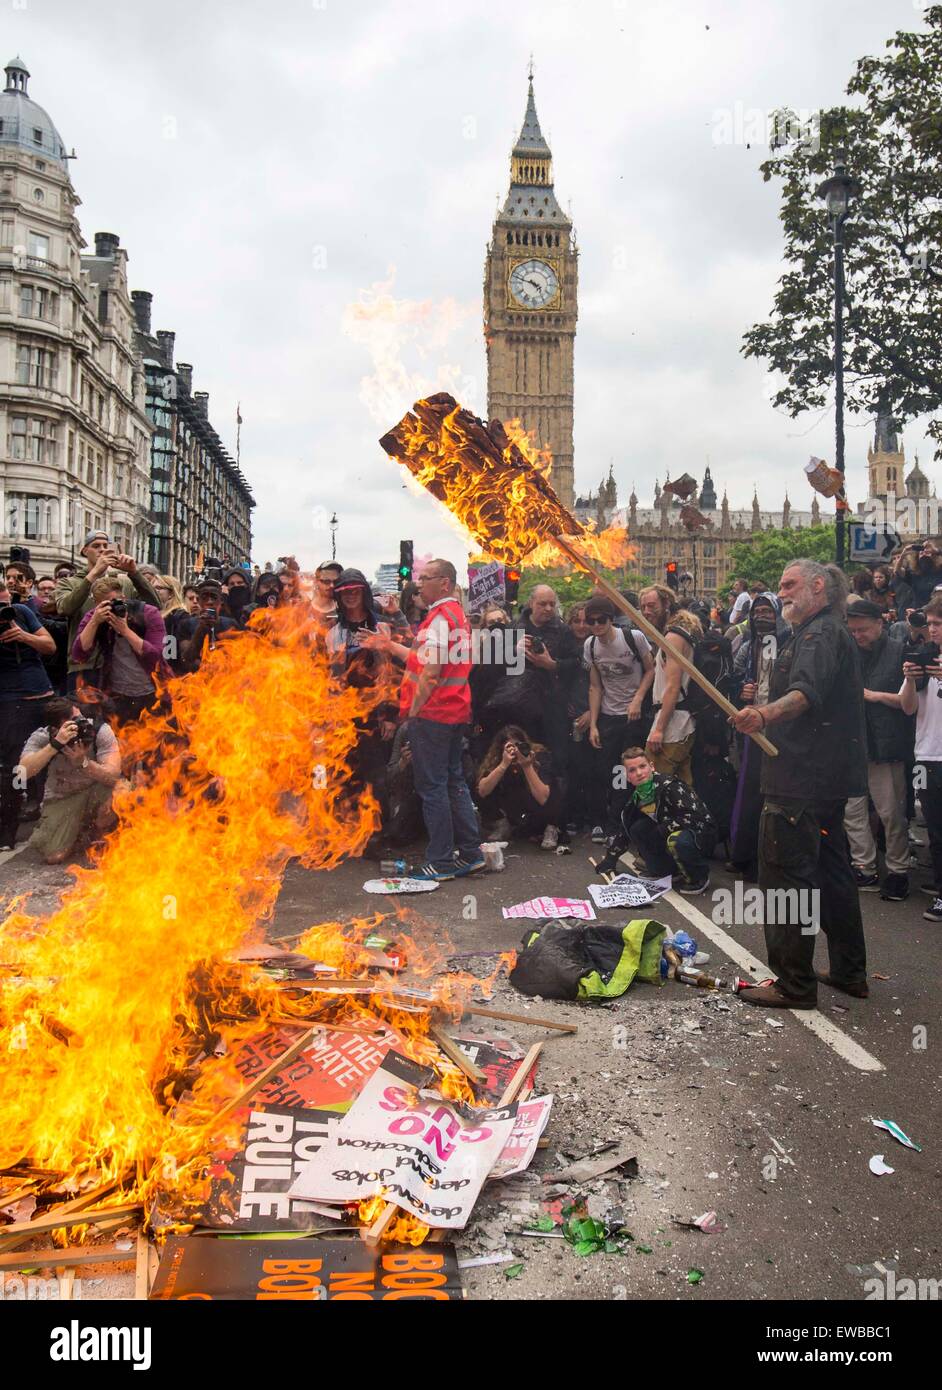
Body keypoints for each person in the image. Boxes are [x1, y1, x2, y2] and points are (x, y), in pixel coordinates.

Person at [730, 559, 868, 1008]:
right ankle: (849, 971)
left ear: (817, 586)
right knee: (832, 877)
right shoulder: (822, 631)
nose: (781, 592)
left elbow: (806, 693)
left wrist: (763, 714)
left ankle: (794, 984)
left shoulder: (818, 634)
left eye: (789, 585)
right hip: (822, 783)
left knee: (786, 881)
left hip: (799, 783)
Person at [397, 558, 483, 880]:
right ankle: (471, 854)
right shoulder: (457, 617)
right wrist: (389, 644)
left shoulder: (437, 619)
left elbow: (430, 673)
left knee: (432, 787)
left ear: (445, 583)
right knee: (453, 781)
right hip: (455, 711)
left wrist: (414, 711)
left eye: (427, 578)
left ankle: (441, 861)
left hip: (432, 715)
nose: (420, 584)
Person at [843, 600, 912, 901]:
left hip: (887, 742)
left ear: (880, 624)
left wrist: (874, 696)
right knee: (852, 810)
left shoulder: (899, 651)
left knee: (891, 812)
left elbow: (910, 702)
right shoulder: (848, 653)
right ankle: (864, 865)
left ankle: (898, 869)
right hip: (855, 742)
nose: (859, 636)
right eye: (854, 630)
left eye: (864, 630)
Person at [595, 746, 715, 894]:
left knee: (676, 840)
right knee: (637, 828)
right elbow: (625, 827)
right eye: (632, 770)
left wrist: (663, 829)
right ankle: (666, 871)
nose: (639, 773)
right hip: (673, 831)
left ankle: (699, 877)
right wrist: (610, 858)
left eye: (642, 766)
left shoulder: (671, 786)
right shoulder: (638, 796)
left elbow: (697, 818)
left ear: (651, 767)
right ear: (627, 776)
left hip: (701, 834)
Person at [583, 594, 654, 841]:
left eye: (600, 620)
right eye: (590, 621)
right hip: (608, 716)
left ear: (610, 619)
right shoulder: (590, 646)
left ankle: (618, 825)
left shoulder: (633, 638)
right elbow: (595, 686)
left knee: (628, 773)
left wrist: (638, 699)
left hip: (633, 716)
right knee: (607, 771)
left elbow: (650, 669)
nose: (595, 626)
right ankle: (608, 823)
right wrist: (593, 724)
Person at [18, 697, 122, 863]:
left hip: (97, 790)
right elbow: (21, 774)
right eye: (72, 723)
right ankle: (79, 830)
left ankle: (101, 830)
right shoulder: (43, 737)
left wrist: (83, 763)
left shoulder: (99, 730)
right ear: (55, 728)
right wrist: (54, 745)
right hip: (64, 798)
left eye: (79, 718)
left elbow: (113, 776)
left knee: (123, 792)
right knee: (54, 856)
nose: (80, 725)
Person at [728, 592, 788, 874]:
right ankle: (745, 855)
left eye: (767, 610)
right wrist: (743, 689)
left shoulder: (790, 643)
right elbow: (735, 677)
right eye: (757, 611)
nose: (762, 615)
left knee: (775, 793)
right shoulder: (747, 645)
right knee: (750, 790)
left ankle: (771, 858)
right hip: (754, 726)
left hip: (782, 726)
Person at [55, 532, 161, 689]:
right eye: (96, 546)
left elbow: (155, 605)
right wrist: (94, 574)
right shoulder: (69, 582)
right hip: (84, 665)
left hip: (117, 666)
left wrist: (134, 572)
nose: (102, 550)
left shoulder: (122, 583)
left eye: (106, 546)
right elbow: (65, 609)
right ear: (85, 551)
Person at [0, 579, 56, 848]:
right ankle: (8, 828)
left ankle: (26, 823)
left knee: (33, 763)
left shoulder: (22, 613)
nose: (4, 610)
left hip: (38, 697)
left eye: (5, 603)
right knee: (12, 767)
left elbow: (50, 646)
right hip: (9, 701)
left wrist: (22, 635)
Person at [72, 578, 169, 725]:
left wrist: (125, 630)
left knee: (155, 742)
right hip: (117, 693)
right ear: (97, 605)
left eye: (116, 602)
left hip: (154, 690)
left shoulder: (148, 613)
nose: (112, 608)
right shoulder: (95, 616)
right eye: (106, 604)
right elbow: (79, 654)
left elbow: (154, 655)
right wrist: (94, 622)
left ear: (124, 598)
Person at [899, 595, 942, 921]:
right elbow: (908, 707)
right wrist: (912, 679)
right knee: (935, 827)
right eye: (930, 624)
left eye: (938, 624)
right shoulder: (925, 657)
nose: (932, 631)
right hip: (926, 754)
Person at [640, 586, 698, 786]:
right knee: (682, 789)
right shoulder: (672, 635)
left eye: (651, 606)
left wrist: (659, 729)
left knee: (653, 788)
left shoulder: (673, 637)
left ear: (666, 604)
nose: (646, 612)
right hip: (678, 724)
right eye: (643, 607)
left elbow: (673, 687)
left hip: (673, 726)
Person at [475, 724, 562, 845]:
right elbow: (482, 791)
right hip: (515, 804)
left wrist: (527, 766)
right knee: (478, 781)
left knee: (555, 786)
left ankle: (551, 827)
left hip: (538, 804)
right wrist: (503, 765)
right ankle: (502, 823)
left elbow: (543, 798)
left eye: (518, 745)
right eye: (510, 747)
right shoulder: (498, 759)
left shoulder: (539, 755)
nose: (515, 750)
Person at [564, 602, 593, 834]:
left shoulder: (598, 646)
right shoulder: (563, 646)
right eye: (577, 621)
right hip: (567, 715)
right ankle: (573, 816)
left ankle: (591, 816)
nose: (582, 626)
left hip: (592, 714)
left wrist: (592, 713)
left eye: (586, 621)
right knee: (571, 768)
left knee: (591, 769)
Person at [178, 580, 239, 672]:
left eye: (214, 597)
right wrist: (201, 629)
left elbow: (239, 656)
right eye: (204, 597)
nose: (209, 602)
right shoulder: (186, 624)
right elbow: (186, 658)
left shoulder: (231, 624)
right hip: (197, 680)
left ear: (221, 601)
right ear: (198, 601)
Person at [35, 576, 69, 694]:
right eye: (42, 588)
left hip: (61, 670)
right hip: (41, 668)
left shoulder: (66, 613)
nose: (46, 591)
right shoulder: (33, 611)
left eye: (51, 588)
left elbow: (61, 628)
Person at [152, 576, 191, 675]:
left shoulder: (180, 615)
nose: (154, 591)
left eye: (159, 588)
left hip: (173, 673)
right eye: (153, 588)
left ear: (171, 593)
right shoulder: (157, 613)